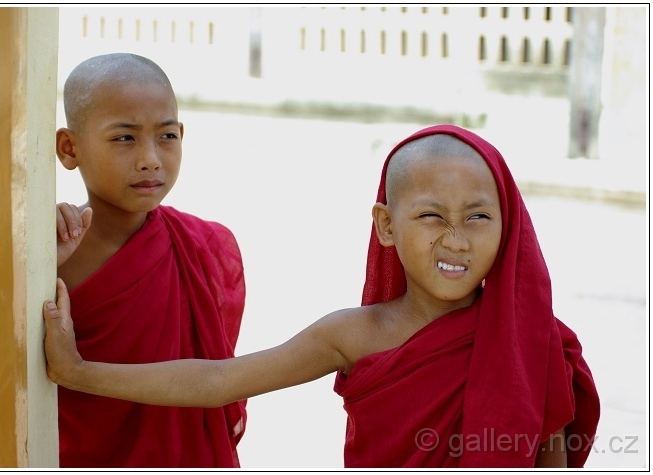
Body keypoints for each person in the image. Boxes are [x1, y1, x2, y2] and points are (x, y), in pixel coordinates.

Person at [45, 124, 600, 468]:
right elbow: (218, 380)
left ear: (510, 226)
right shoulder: (354, 334)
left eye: (479, 217)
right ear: (385, 224)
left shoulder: (533, 344)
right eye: (430, 215)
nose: (455, 238)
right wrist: (80, 372)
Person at [51, 53, 247, 468]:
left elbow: (214, 375)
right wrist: (39, 264)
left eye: (166, 136)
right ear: (69, 148)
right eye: (125, 138)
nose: (150, 159)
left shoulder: (207, 246)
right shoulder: (45, 255)